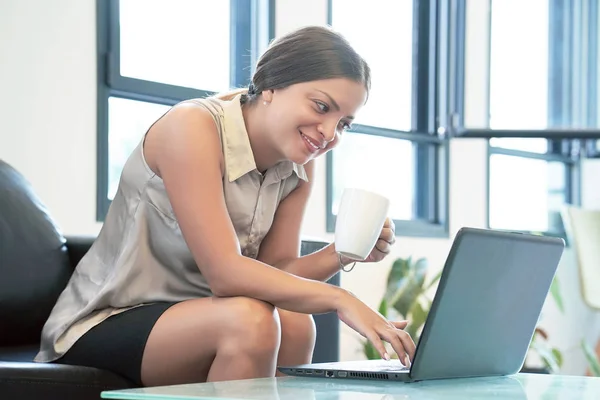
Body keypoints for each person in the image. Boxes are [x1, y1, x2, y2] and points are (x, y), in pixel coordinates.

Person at [34, 25, 415, 387]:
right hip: (108, 321)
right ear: (271, 86)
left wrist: (344, 253)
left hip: (205, 315)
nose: (329, 133)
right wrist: (342, 300)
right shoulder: (191, 127)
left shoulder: (300, 162)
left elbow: (275, 271)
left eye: (344, 124)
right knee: (249, 321)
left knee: (295, 321)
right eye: (320, 107)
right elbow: (226, 274)